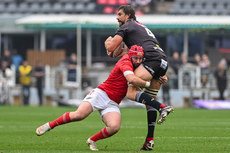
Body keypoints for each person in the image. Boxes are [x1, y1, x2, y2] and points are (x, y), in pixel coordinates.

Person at [35, 45, 153, 151]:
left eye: (140, 58)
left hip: (113, 102)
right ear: (130, 56)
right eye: (135, 58)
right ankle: (49, 125)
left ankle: (92, 140)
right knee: (79, 115)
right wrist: (148, 83)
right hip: (101, 94)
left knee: (114, 127)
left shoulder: (138, 66)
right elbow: (132, 79)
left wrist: (161, 76)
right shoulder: (125, 61)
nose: (138, 61)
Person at [104, 5, 174, 151]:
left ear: (128, 15)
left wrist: (107, 43)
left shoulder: (126, 27)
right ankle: (149, 141)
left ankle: (163, 107)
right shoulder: (139, 27)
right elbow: (126, 52)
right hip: (162, 61)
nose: (117, 17)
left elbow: (111, 49)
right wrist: (157, 72)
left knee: (131, 92)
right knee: (149, 102)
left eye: (120, 14)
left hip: (151, 59)